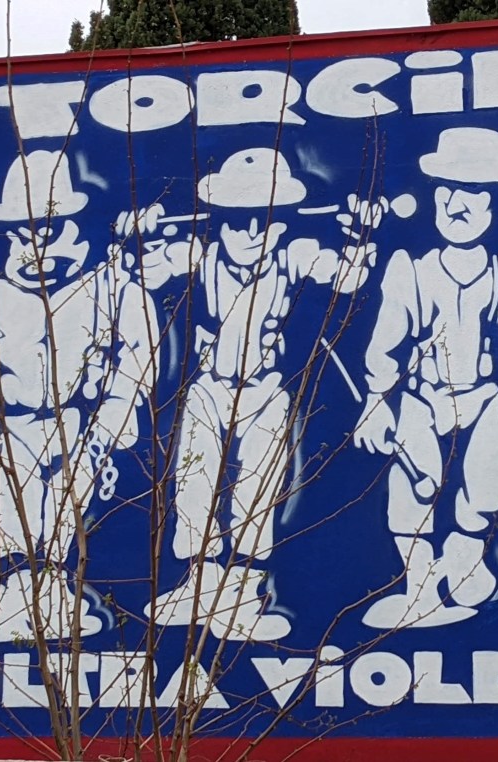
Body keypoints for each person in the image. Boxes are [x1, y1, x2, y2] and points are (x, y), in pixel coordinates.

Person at [140, 147, 386, 641]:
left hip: (266, 392)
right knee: (194, 482)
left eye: (265, 220)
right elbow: (152, 272)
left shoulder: (293, 255)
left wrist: (358, 234)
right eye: (240, 220)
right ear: (221, 217)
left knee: (257, 488)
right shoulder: (200, 254)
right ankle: (198, 584)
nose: (253, 233)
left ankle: (242, 591)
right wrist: (146, 236)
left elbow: (348, 277)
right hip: (209, 389)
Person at [0, 150, 178, 641]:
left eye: (44, 228)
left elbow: (138, 360)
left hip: (79, 424)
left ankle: (52, 593)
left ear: (69, 224)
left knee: (67, 506)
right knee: (16, 505)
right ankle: (17, 593)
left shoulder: (113, 287)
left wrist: (109, 423)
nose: (32, 242)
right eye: (21, 231)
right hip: (7, 425)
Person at [354, 127, 498, 629]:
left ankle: (465, 566)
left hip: (482, 397)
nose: (456, 204)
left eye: (472, 191)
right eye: (446, 190)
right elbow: (386, 340)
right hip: (421, 399)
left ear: (492, 202)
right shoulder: (410, 269)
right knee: (413, 493)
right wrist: (376, 400)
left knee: (484, 490)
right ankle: (418, 589)